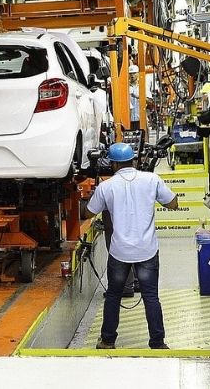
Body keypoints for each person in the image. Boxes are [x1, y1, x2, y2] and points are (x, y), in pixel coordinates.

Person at [85, 143, 178, 349]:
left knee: (113, 295)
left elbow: (88, 212)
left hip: (119, 252)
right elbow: (173, 203)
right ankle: (157, 342)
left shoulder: (106, 187)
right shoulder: (151, 179)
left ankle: (107, 340)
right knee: (151, 296)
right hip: (147, 250)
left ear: (113, 164)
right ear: (133, 160)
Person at [129, 65, 141, 130]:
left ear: (138, 73)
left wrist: (138, 97)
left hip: (140, 119)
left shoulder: (142, 85)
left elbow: (150, 101)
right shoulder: (125, 86)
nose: (132, 75)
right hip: (129, 120)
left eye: (134, 73)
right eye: (130, 73)